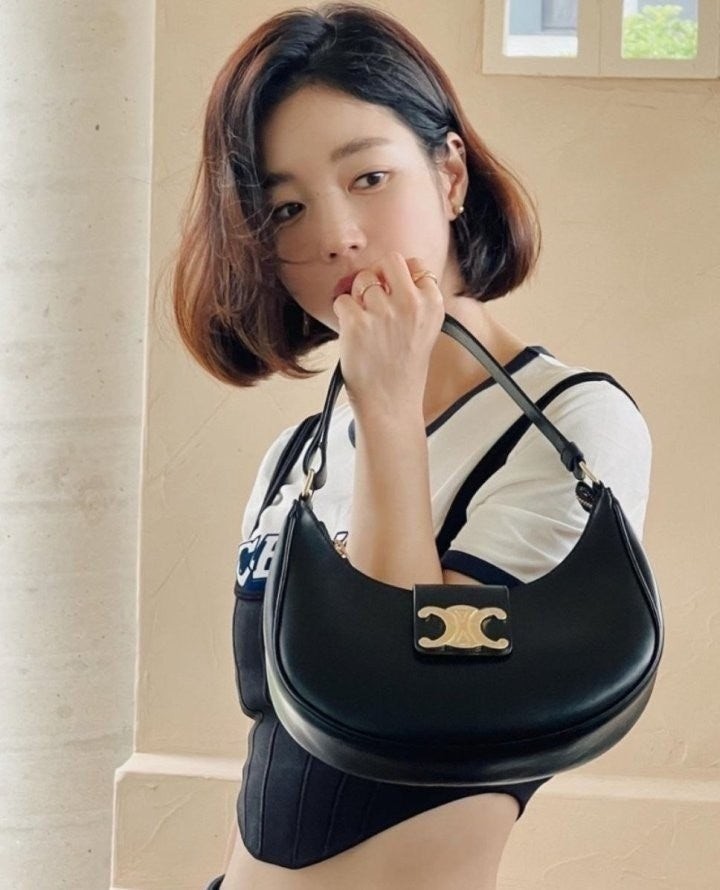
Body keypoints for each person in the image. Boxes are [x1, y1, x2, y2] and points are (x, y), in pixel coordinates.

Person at [170, 4, 652, 888]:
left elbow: (408, 702)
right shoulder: (297, 458)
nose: (335, 237)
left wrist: (390, 404)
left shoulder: (571, 427)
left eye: (368, 177)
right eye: (286, 208)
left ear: (450, 173)